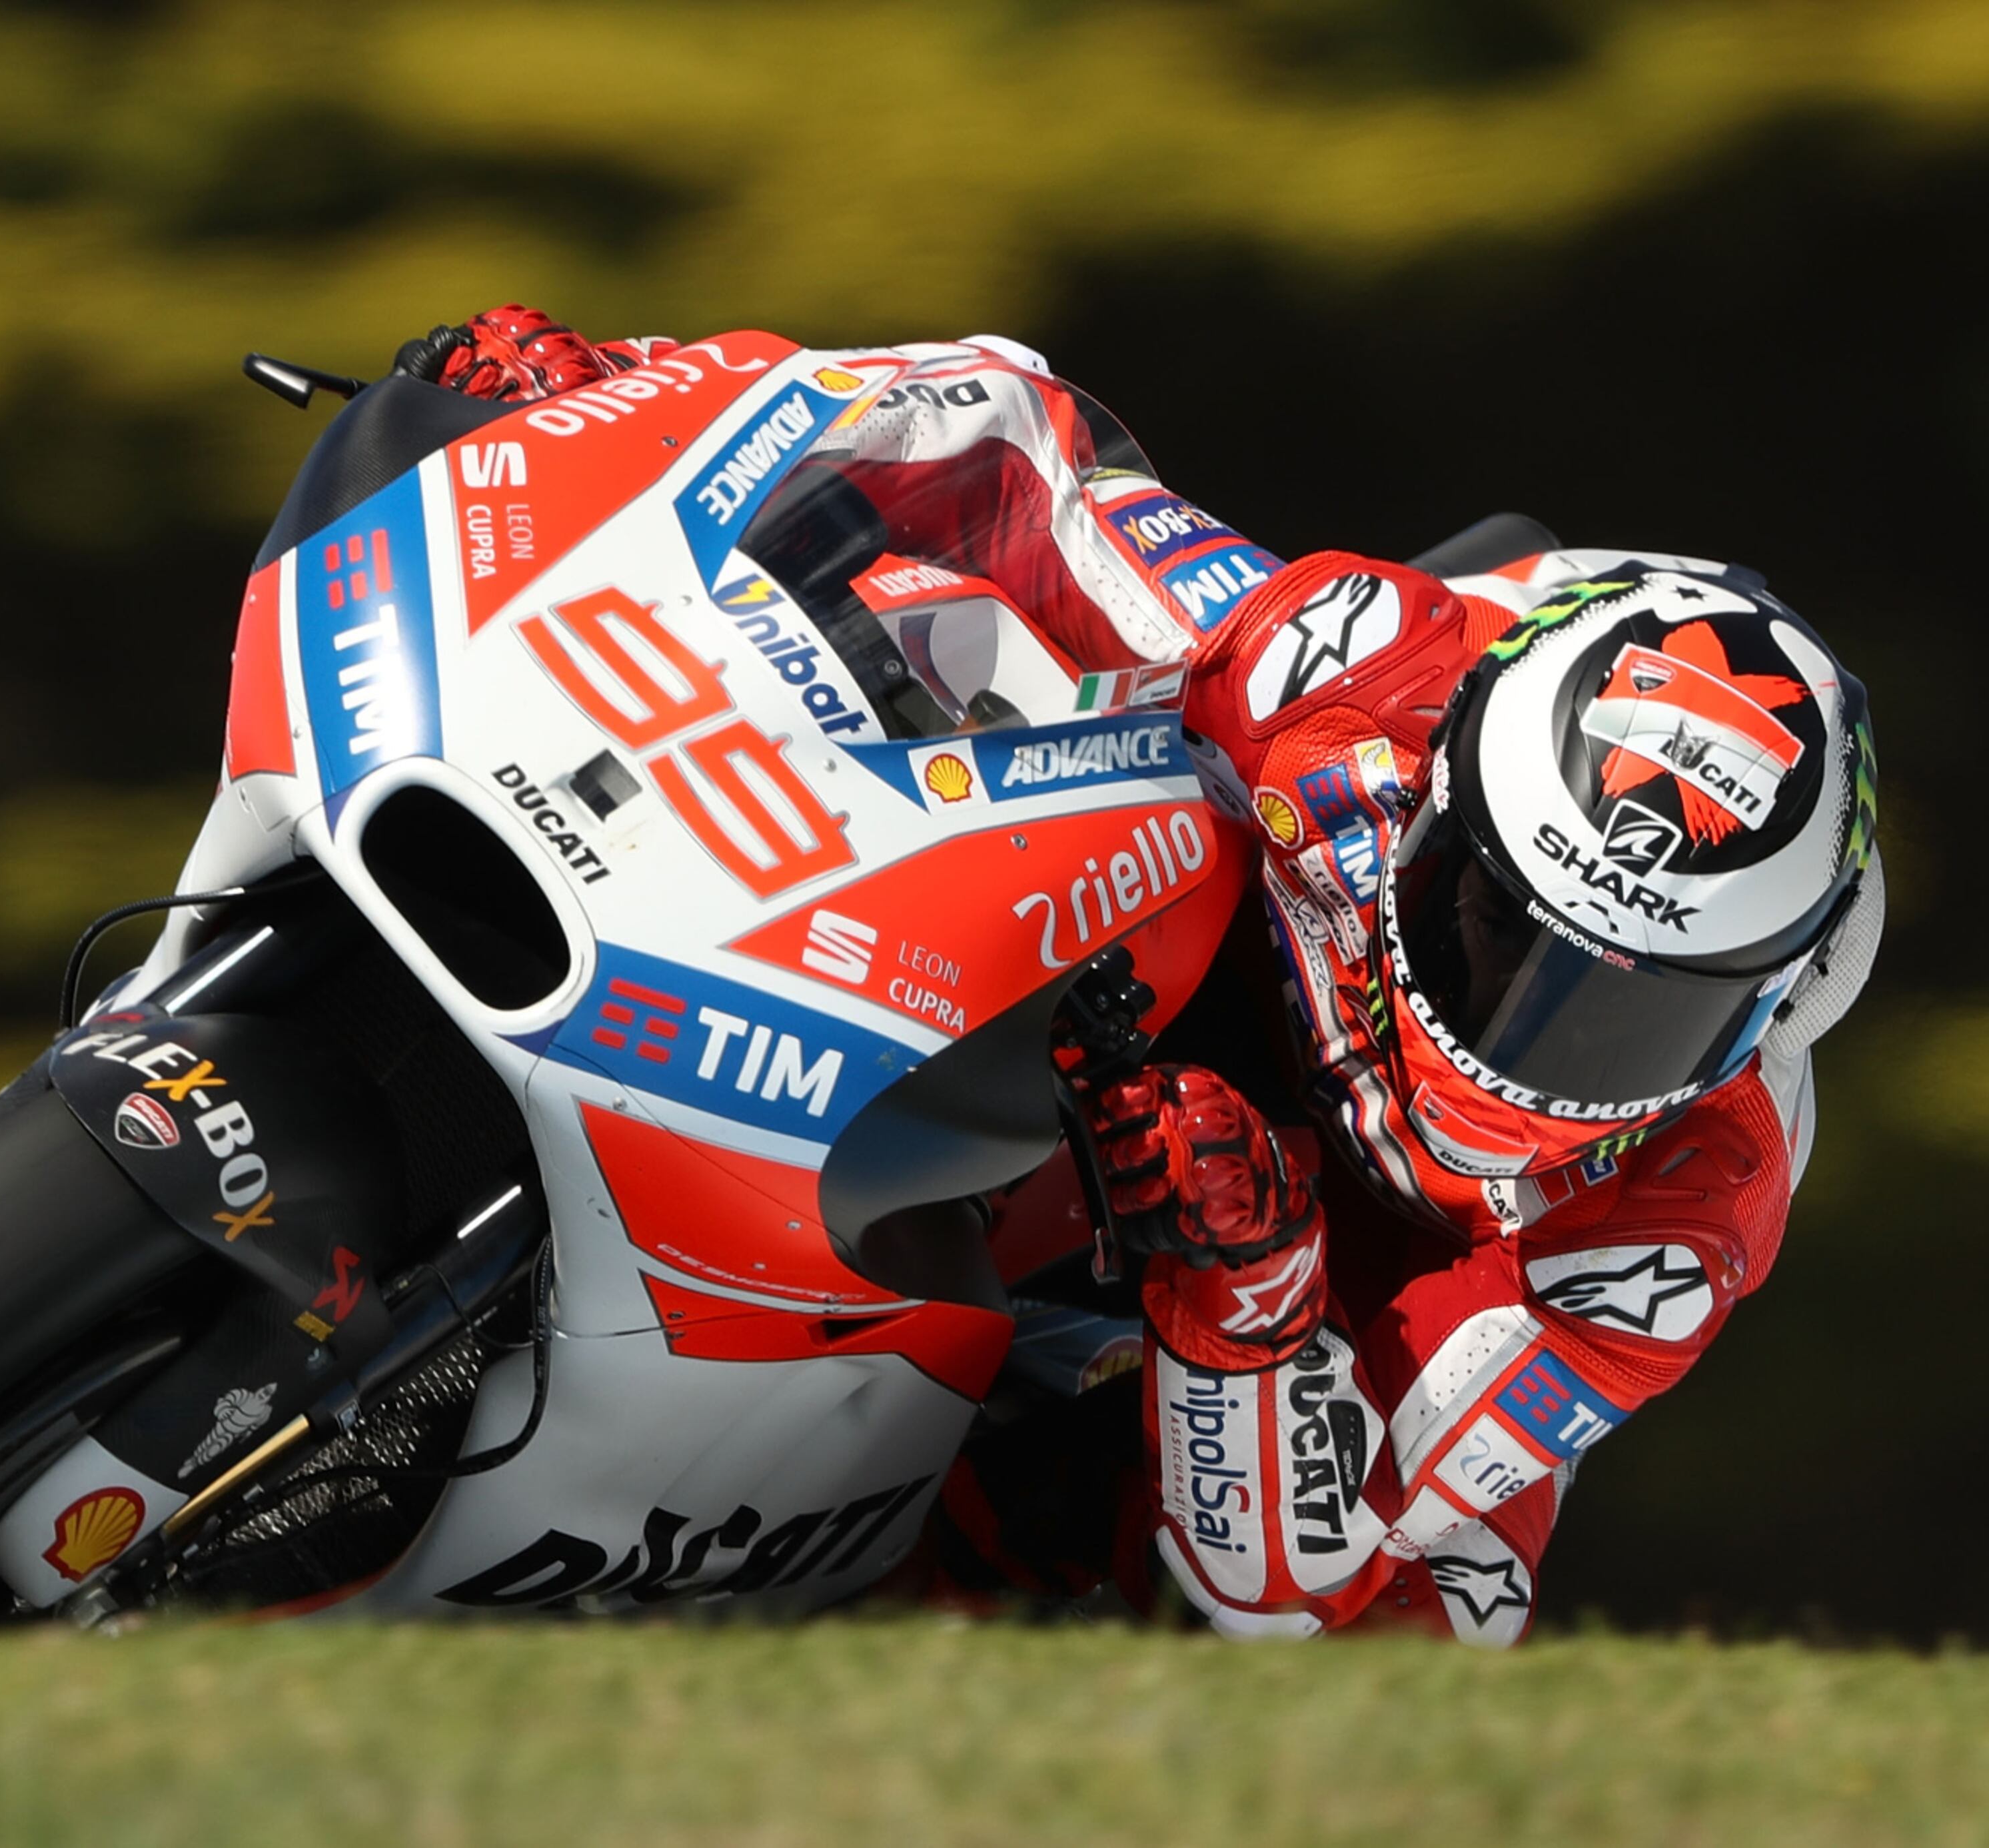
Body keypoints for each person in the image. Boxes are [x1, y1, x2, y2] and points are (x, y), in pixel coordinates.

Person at [400, 307, 1884, 1643]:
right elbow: (1017, 454)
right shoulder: (1355, 677)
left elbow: (1307, 1571)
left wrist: (1256, 1281)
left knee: (1403, 1642)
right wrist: (639, 404)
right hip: (1163, 995)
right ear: (1438, 799)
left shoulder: (1684, 1218)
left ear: (1761, 1008)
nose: (1526, 1031)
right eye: (1495, 923)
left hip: (1369, 1290)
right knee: (932, 627)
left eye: (1630, 1012)